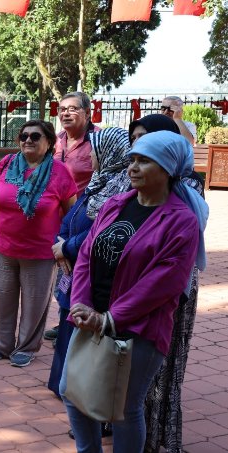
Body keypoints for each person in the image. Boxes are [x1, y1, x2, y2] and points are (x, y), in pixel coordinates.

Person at [62, 131, 207, 453]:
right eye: (132, 160)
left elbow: (163, 282)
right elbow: (87, 254)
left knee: (124, 409)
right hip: (90, 317)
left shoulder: (180, 220)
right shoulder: (116, 204)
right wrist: (80, 304)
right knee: (72, 392)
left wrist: (109, 319)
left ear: (168, 169)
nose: (133, 167)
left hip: (139, 329)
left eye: (144, 161)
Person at [123, 115, 205, 453]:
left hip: (172, 289)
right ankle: (131, 428)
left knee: (164, 370)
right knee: (131, 374)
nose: (137, 158)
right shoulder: (128, 187)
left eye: (149, 145)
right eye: (135, 143)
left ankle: (161, 438)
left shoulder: (187, 191)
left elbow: (176, 255)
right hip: (131, 288)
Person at [0, 120, 77, 367]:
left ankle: (26, 346)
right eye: (23, 136)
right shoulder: (6, 164)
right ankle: (1, 345)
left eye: (35, 137)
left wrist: (64, 245)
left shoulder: (60, 172)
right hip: (3, 247)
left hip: (40, 252)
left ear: (48, 143)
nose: (28, 140)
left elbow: (71, 212)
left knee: (35, 302)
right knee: (2, 298)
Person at [47, 127, 130, 398]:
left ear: (109, 153)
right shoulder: (99, 180)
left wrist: (67, 247)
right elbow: (72, 216)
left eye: (95, 150)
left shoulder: (120, 187)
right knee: (66, 319)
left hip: (88, 268)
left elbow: (101, 231)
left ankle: (74, 388)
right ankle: (60, 383)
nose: (91, 154)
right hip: (70, 261)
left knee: (78, 324)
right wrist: (61, 242)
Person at [45, 92, 99, 342]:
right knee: (61, 271)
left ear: (88, 113)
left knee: (79, 270)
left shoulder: (98, 141)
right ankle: (63, 318)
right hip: (56, 219)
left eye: (72, 109)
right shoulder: (54, 142)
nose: (65, 113)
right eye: (61, 109)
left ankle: (77, 320)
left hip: (84, 219)